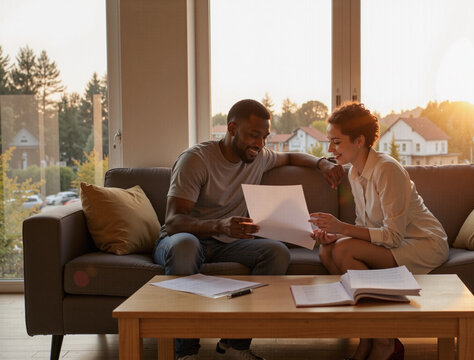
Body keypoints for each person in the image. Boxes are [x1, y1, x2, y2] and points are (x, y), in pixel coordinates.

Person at [155, 99, 344, 360]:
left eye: (265, 137)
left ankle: (235, 345)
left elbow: (289, 156)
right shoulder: (195, 160)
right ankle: (185, 353)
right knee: (185, 246)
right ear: (231, 128)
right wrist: (219, 225)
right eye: (254, 135)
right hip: (183, 239)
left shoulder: (259, 157)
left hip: (227, 242)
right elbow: (175, 221)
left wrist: (322, 162)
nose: (260, 144)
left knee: (277, 252)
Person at [309, 102, 449, 360]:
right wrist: (333, 234)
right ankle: (368, 336)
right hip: (395, 242)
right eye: (330, 141)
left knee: (344, 249)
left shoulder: (387, 169)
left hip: (422, 243)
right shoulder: (354, 173)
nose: (330, 149)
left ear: (359, 140)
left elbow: (392, 236)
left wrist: (342, 229)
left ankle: (384, 340)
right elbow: (365, 226)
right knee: (327, 251)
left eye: (336, 142)